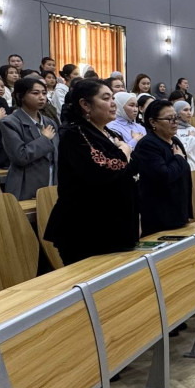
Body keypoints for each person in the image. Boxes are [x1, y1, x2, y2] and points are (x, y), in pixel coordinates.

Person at [43, 80, 139, 262]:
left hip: (116, 225)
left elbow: (131, 168)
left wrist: (124, 155)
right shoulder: (75, 134)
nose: (113, 103)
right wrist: (125, 150)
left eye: (113, 98)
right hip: (86, 228)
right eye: (106, 98)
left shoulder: (111, 133)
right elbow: (104, 170)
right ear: (85, 104)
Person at [133, 99, 192, 235]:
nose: (175, 122)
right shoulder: (148, 145)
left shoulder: (175, 141)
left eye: (176, 118)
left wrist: (187, 211)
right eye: (169, 119)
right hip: (160, 216)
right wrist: (178, 158)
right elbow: (164, 175)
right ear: (153, 122)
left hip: (180, 212)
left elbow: (185, 177)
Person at [0, 76, 58, 201]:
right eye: (35, 93)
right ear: (21, 96)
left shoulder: (49, 122)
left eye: (44, 93)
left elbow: (57, 154)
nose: (42, 97)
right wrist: (44, 139)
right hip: (26, 182)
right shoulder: (9, 122)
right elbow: (20, 156)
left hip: (52, 179)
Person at [173, 99, 195, 169]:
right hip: (182, 167)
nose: (189, 113)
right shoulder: (174, 130)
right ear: (177, 113)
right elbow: (182, 151)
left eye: (190, 110)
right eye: (185, 110)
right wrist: (191, 138)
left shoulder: (192, 129)